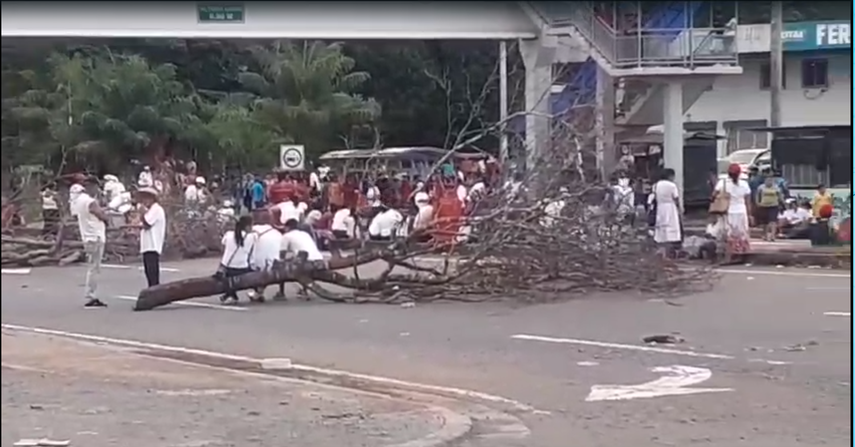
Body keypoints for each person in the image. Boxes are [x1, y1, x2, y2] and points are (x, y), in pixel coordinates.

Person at [70, 183, 109, 308]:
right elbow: (101, 215)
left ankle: (91, 293)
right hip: (96, 236)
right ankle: (91, 294)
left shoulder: (75, 204)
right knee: (94, 268)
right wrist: (106, 217)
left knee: (92, 266)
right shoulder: (89, 201)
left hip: (87, 237)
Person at [712, 163, 753, 263]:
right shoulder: (744, 184)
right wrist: (750, 215)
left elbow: (713, 195)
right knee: (741, 233)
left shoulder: (722, 183)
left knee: (729, 233)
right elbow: (748, 201)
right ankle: (741, 255)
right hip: (741, 211)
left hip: (728, 211)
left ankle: (729, 256)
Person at [218, 215, 258, 304]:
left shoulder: (228, 234)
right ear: (247, 226)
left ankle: (231, 295)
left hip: (228, 268)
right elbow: (252, 255)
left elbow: (222, 248)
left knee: (228, 277)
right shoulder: (253, 236)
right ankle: (258, 292)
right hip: (242, 268)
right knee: (254, 272)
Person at [247, 213, 284, 302]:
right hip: (277, 264)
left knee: (252, 262)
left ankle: (258, 292)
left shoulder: (254, 230)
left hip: (260, 265)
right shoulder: (277, 233)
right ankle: (281, 292)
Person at [137, 187, 166, 287]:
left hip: (152, 245)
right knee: (149, 272)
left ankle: (155, 290)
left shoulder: (156, 209)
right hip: (147, 245)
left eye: (146, 198)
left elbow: (147, 223)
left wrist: (142, 214)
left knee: (152, 272)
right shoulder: (149, 211)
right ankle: (152, 290)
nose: (144, 201)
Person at [649, 168, 682, 255]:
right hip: (670, 207)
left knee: (661, 224)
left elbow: (653, 197)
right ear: (670, 176)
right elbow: (676, 198)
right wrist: (679, 208)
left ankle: (661, 243)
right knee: (672, 224)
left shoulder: (656, 185)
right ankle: (671, 244)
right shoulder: (672, 185)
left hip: (660, 207)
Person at [755, 175, 783, 241]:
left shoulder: (776, 187)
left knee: (773, 221)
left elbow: (780, 196)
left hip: (774, 205)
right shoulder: (761, 187)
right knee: (765, 222)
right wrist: (757, 203)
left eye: (770, 180)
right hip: (763, 205)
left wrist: (782, 203)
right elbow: (757, 195)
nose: (769, 182)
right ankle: (765, 235)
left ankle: (773, 236)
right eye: (767, 180)